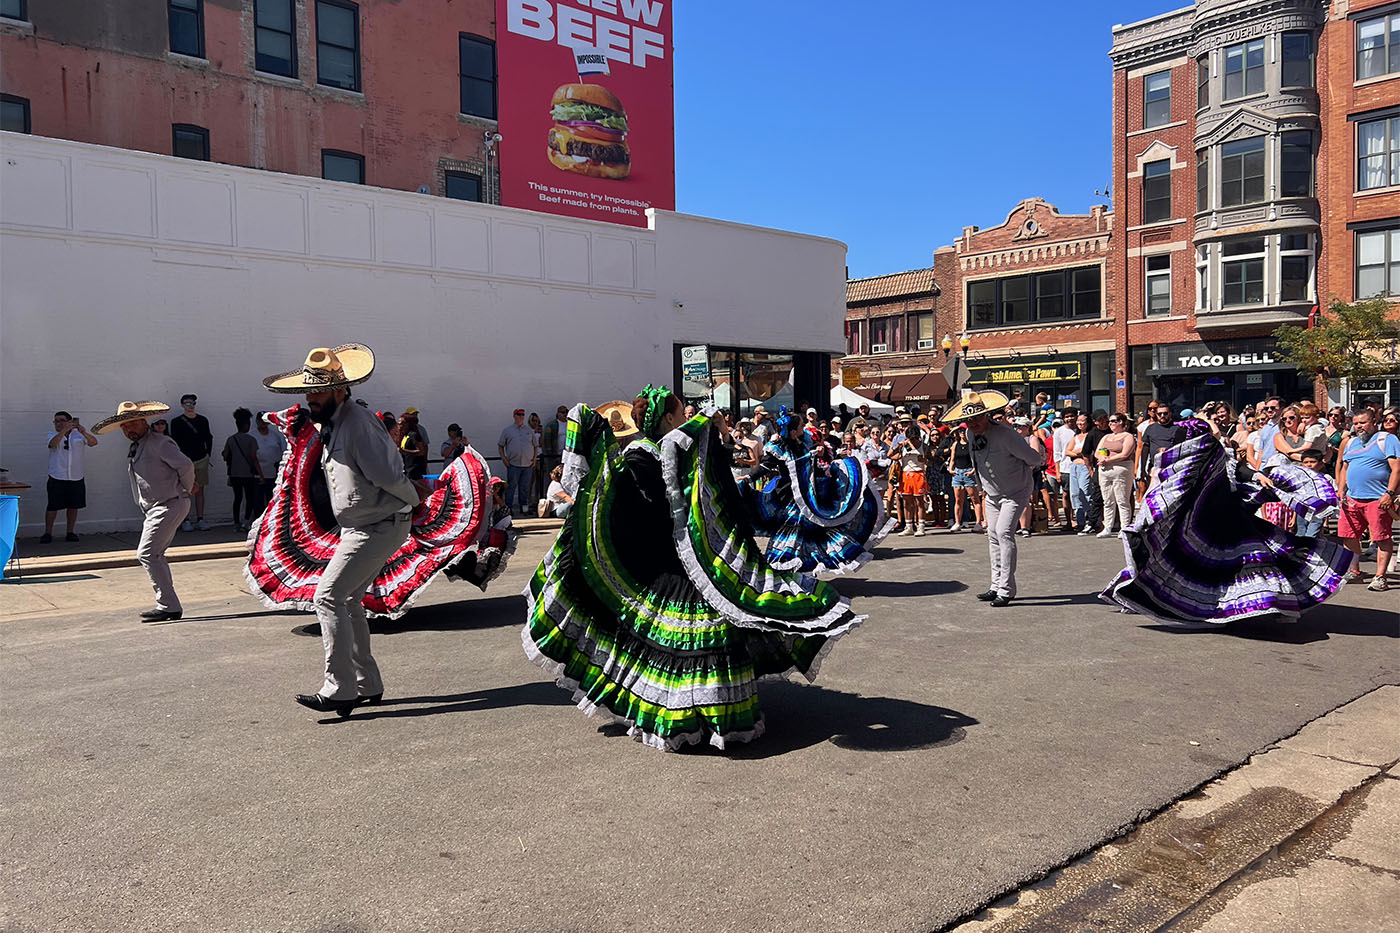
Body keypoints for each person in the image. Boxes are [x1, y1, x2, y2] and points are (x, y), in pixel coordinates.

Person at [523, 386, 865, 750]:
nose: (687, 417)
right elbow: (655, 506)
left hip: (684, 558)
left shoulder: (667, 452)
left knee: (706, 635)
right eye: (681, 412)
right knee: (695, 638)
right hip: (664, 562)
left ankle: (700, 714)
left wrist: (716, 436)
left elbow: (709, 485)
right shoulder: (645, 457)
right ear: (669, 418)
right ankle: (685, 717)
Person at [259, 344, 430, 718]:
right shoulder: (337, 421)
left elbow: (386, 475)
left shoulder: (357, 422)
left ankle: (339, 688)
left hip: (378, 525)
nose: (311, 398)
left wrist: (412, 498)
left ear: (340, 389)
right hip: (363, 526)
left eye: (317, 391)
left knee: (327, 597)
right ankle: (367, 684)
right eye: (308, 391)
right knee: (348, 600)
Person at [1102, 415, 1349, 624]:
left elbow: (1239, 470)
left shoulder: (1218, 457)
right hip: (1196, 523)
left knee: (1250, 562)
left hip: (1226, 520)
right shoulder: (1179, 464)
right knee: (1203, 565)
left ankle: (1266, 606)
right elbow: (1164, 495)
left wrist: (1257, 477)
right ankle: (1239, 608)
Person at [739, 406, 894, 573]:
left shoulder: (804, 444)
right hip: (788, 497)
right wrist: (748, 478)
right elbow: (764, 466)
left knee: (810, 533)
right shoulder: (779, 447)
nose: (803, 428)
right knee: (793, 531)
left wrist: (828, 469)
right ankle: (784, 564)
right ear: (792, 432)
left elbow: (812, 469)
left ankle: (799, 568)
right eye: (800, 426)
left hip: (808, 497)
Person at [93, 400, 195, 621]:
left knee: (147, 553)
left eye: (132, 424)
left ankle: (168, 605)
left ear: (143, 421)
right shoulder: (139, 445)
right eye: (124, 426)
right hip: (157, 506)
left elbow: (186, 465)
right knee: (155, 554)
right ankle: (169, 604)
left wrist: (185, 488)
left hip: (169, 503)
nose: (128, 429)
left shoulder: (159, 442)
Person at [944, 390, 1041, 607]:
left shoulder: (1007, 435)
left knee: (1004, 533)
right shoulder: (970, 435)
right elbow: (976, 461)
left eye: (977, 417)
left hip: (1015, 491)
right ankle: (996, 585)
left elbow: (1034, 458)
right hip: (992, 493)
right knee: (993, 535)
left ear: (986, 415)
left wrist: (1023, 467)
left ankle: (1006, 589)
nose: (973, 423)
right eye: (968, 419)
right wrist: (981, 488)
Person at [1335, 408, 1400, 591]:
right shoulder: (1351, 442)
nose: (1359, 426)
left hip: (1377, 499)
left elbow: (1396, 468)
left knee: (1381, 537)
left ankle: (1380, 577)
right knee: (1348, 536)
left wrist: (1390, 493)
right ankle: (1355, 571)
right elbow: (1345, 468)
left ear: (1373, 422)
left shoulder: (1387, 439)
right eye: (1356, 423)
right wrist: (1341, 490)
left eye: (1363, 422)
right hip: (1352, 499)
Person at [43, 411, 98, 543]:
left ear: (69, 421)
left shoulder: (78, 435)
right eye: (56, 421)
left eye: (62, 420)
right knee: (53, 506)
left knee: (73, 506)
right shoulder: (52, 435)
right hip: (57, 475)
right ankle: (47, 533)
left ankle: (70, 532)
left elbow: (93, 442)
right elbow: (53, 444)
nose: (58, 423)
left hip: (75, 476)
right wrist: (63, 431)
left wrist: (83, 432)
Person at [168, 393, 213, 531]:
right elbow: (174, 441)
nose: (190, 406)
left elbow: (208, 438)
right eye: (187, 403)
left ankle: (200, 518)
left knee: (200, 490)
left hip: (201, 458)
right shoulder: (176, 422)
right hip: (184, 460)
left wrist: (207, 455)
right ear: (182, 405)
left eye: (192, 403)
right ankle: (185, 520)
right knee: (184, 491)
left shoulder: (203, 420)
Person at [221, 407, 264, 532]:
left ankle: (236, 523)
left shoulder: (231, 439)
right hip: (248, 474)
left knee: (237, 498)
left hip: (235, 473)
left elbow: (225, 455)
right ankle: (246, 522)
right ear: (247, 425)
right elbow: (254, 458)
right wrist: (261, 475)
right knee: (249, 498)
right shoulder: (251, 440)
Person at [1095, 413, 1137, 537]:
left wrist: (1109, 460)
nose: (1111, 423)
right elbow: (1097, 451)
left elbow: (1125, 454)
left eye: (1114, 421)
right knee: (1107, 500)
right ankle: (1108, 526)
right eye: (1110, 421)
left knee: (1122, 500)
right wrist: (1102, 458)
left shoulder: (1128, 436)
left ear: (1122, 422)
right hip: (1105, 470)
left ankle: (1124, 527)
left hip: (1122, 468)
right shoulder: (1106, 436)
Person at [498, 407, 537, 517]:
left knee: (524, 487)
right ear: (514, 416)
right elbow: (500, 446)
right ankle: (509, 509)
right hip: (513, 464)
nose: (521, 416)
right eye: (519, 414)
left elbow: (535, 445)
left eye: (523, 414)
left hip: (527, 464)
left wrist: (534, 459)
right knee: (511, 487)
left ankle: (524, 508)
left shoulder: (529, 431)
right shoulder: (508, 431)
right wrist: (504, 459)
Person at [945, 423, 983, 532]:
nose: (962, 433)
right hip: (958, 472)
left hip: (968, 472)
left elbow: (977, 459)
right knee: (958, 500)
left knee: (974, 499)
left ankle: (978, 523)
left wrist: (973, 470)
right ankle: (957, 522)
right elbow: (952, 459)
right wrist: (951, 469)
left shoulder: (972, 444)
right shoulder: (955, 444)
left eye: (964, 430)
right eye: (960, 430)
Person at [1139, 403, 1185, 489]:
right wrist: (1142, 470)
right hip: (1154, 467)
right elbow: (1145, 449)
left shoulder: (1178, 429)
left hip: (1172, 469)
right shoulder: (1150, 428)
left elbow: (1180, 449)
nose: (1162, 416)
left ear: (1170, 414)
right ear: (1156, 415)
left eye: (1165, 413)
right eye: (1159, 414)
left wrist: (1167, 450)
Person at [252, 410, 288, 515]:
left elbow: (282, 450)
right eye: (261, 421)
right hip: (257, 474)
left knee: (271, 498)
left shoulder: (275, 435)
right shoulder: (252, 434)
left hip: (273, 473)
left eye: (265, 421)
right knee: (257, 499)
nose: (263, 423)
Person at [397, 408, 429, 481]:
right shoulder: (405, 435)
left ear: (407, 424)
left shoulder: (414, 435)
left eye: (401, 424)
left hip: (414, 470)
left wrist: (404, 451)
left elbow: (421, 451)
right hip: (406, 468)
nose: (399, 425)